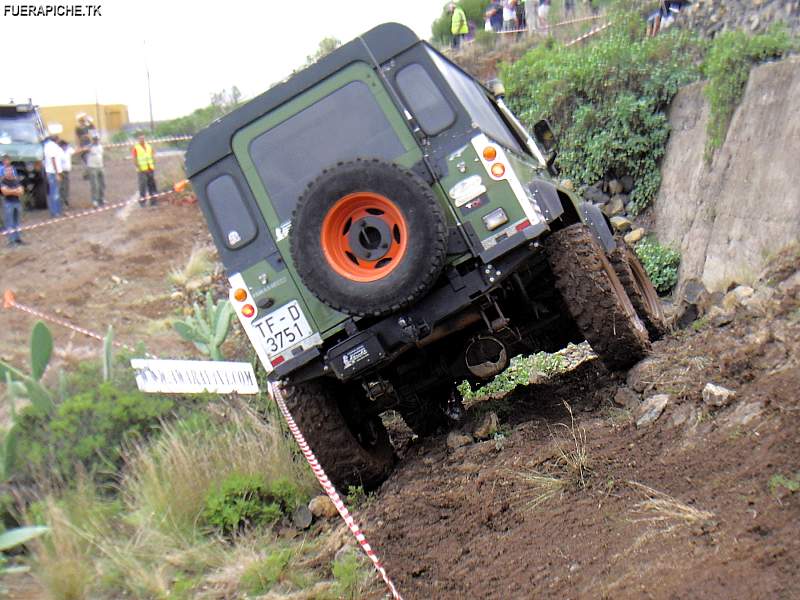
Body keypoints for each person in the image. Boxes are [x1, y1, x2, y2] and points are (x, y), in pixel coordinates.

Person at [1, 165, 25, 245]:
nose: (10, 172)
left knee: (17, 222)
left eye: (11, 170)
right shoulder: (3, 182)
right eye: (7, 171)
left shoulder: (16, 181)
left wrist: (11, 190)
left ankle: (18, 239)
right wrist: (15, 190)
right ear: (4, 172)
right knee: (10, 223)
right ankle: (11, 241)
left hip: (17, 203)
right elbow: (5, 192)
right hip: (8, 203)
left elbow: (21, 192)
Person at [132, 133, 158, 206]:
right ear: (138, 140)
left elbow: (153, 156)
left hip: (150, 169)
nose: (142, 140)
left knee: (151, 185)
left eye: (143, 138)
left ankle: (153, 201)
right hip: (142, 170)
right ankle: (142, 202)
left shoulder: (149, 146)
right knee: (142, 186)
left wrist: (153, 165)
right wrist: (139, 167)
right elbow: (135, 159)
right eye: (140, 139)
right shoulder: (136, 148)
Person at [43, 134, 64, 217]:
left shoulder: (46, 146)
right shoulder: (53, 147)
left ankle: (56, 211)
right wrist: (57, 173)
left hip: (49, 171)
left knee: (53, 192)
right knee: (55, 193)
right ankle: (55, 212)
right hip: (53, 172)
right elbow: (53, 159)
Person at [84, 135, 105, 207]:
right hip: (92, 167)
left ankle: (101, 198)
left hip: (100, 166)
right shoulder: (90, 147)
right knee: (94, 185)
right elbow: (84, 150)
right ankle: (95, 200)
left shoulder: (100, 146)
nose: (96, 141)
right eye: (95, 139)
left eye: (97, 139)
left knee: (102, 184)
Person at [58, 139, 74, 207]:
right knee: (62, 186)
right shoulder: (59, 152)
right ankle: (62, 201)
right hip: (61, 171)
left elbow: (75, 151)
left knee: (66, 186)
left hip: (67, 171)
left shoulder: (68, 150)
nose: (66, 147)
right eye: (65, 146)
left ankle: (65, 200)